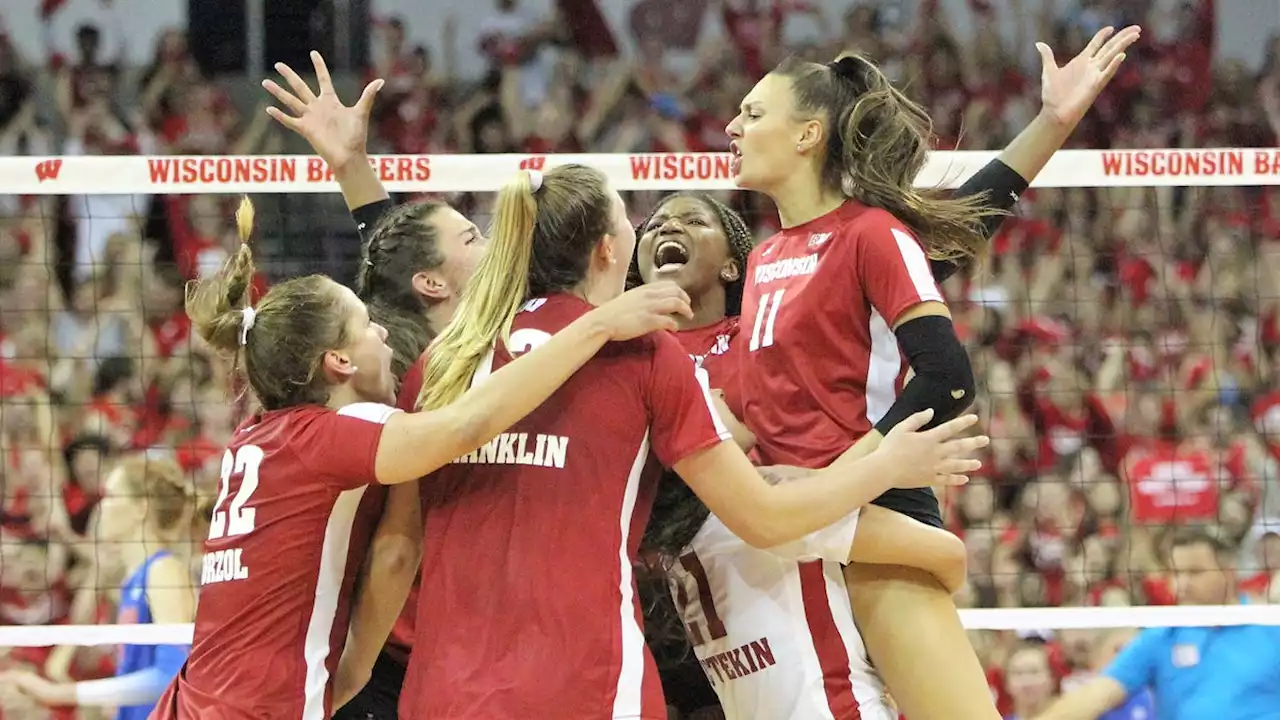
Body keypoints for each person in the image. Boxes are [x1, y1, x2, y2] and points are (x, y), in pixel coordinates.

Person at [393, 163, 989, 720]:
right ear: (611, 249)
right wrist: (885, 464)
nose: (661, 227)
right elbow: (772, 516)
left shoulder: (446, 359)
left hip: (449, 685)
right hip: (602, 668)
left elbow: (399, 549)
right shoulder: (649, 358)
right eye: (639, 220)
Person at [146, 194, 698, 719]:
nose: (383, 329)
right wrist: (597, 325)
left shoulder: (257, 436)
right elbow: (467, 424)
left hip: (198, 694)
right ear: (336, 361)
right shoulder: (338, 433)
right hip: (264, 702)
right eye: (366, 325)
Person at [723, 27, 1141, 720]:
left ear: (808, 135)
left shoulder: (870, 232)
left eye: (754, 112)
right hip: (790, 539)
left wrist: (848, 476)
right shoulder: (767, 258)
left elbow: (947, 374)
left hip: (873, 517)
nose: (734, 126)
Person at [261, 50, 487, 718]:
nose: (493, 244)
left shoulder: (469, 334)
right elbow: (395, 543)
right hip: (392, 650)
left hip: (454, 638)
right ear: (434, 283)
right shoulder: (390, 363)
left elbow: (393, 249)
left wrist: (351, 165)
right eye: (475, 237)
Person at [0, 454, 199, 719]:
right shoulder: (134, 580)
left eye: (112, 497)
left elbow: (170, 674)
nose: (101, 506)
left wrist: (58, 694)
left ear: (141, 508)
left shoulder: (163, 571)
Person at [1034, 528, 1280, 720]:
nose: (1182, 584)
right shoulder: (1161, 635)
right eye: (1176, 572)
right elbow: (1096, 695)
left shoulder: (1270, 624)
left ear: (1228, 572)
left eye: (1194, 572)